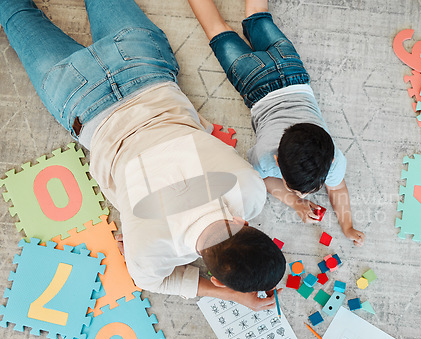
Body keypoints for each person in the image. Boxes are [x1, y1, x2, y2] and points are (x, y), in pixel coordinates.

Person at [0, 0, 285, 310]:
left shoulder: (251, 190)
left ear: (246, 222)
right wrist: (229, 294)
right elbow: (154, 282)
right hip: (77, 99)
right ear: (215, 278)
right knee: (14, 13)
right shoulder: (150, 254)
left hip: (141, 64)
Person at [187, 0, 366, 246]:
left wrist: (347, 225)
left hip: (290, 68)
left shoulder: (334, 159)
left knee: (259, 16)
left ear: (332, 157)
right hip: (253, 81)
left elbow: (336, 190)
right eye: (296, 189)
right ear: (276, 161)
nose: (301, 195)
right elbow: (264, 180)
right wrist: (296, 203)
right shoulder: (263, 157)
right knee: (217, 30)